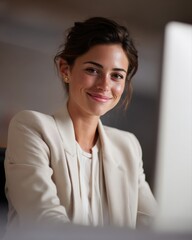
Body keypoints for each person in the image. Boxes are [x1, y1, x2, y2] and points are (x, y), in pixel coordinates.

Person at [4, 17, 156, 231]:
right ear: (65, 69)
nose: (105, 85)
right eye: (93, 70)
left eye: (116, 76)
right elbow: (46, 223)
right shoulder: (32, 128)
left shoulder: (127, 146)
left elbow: (152, 228)